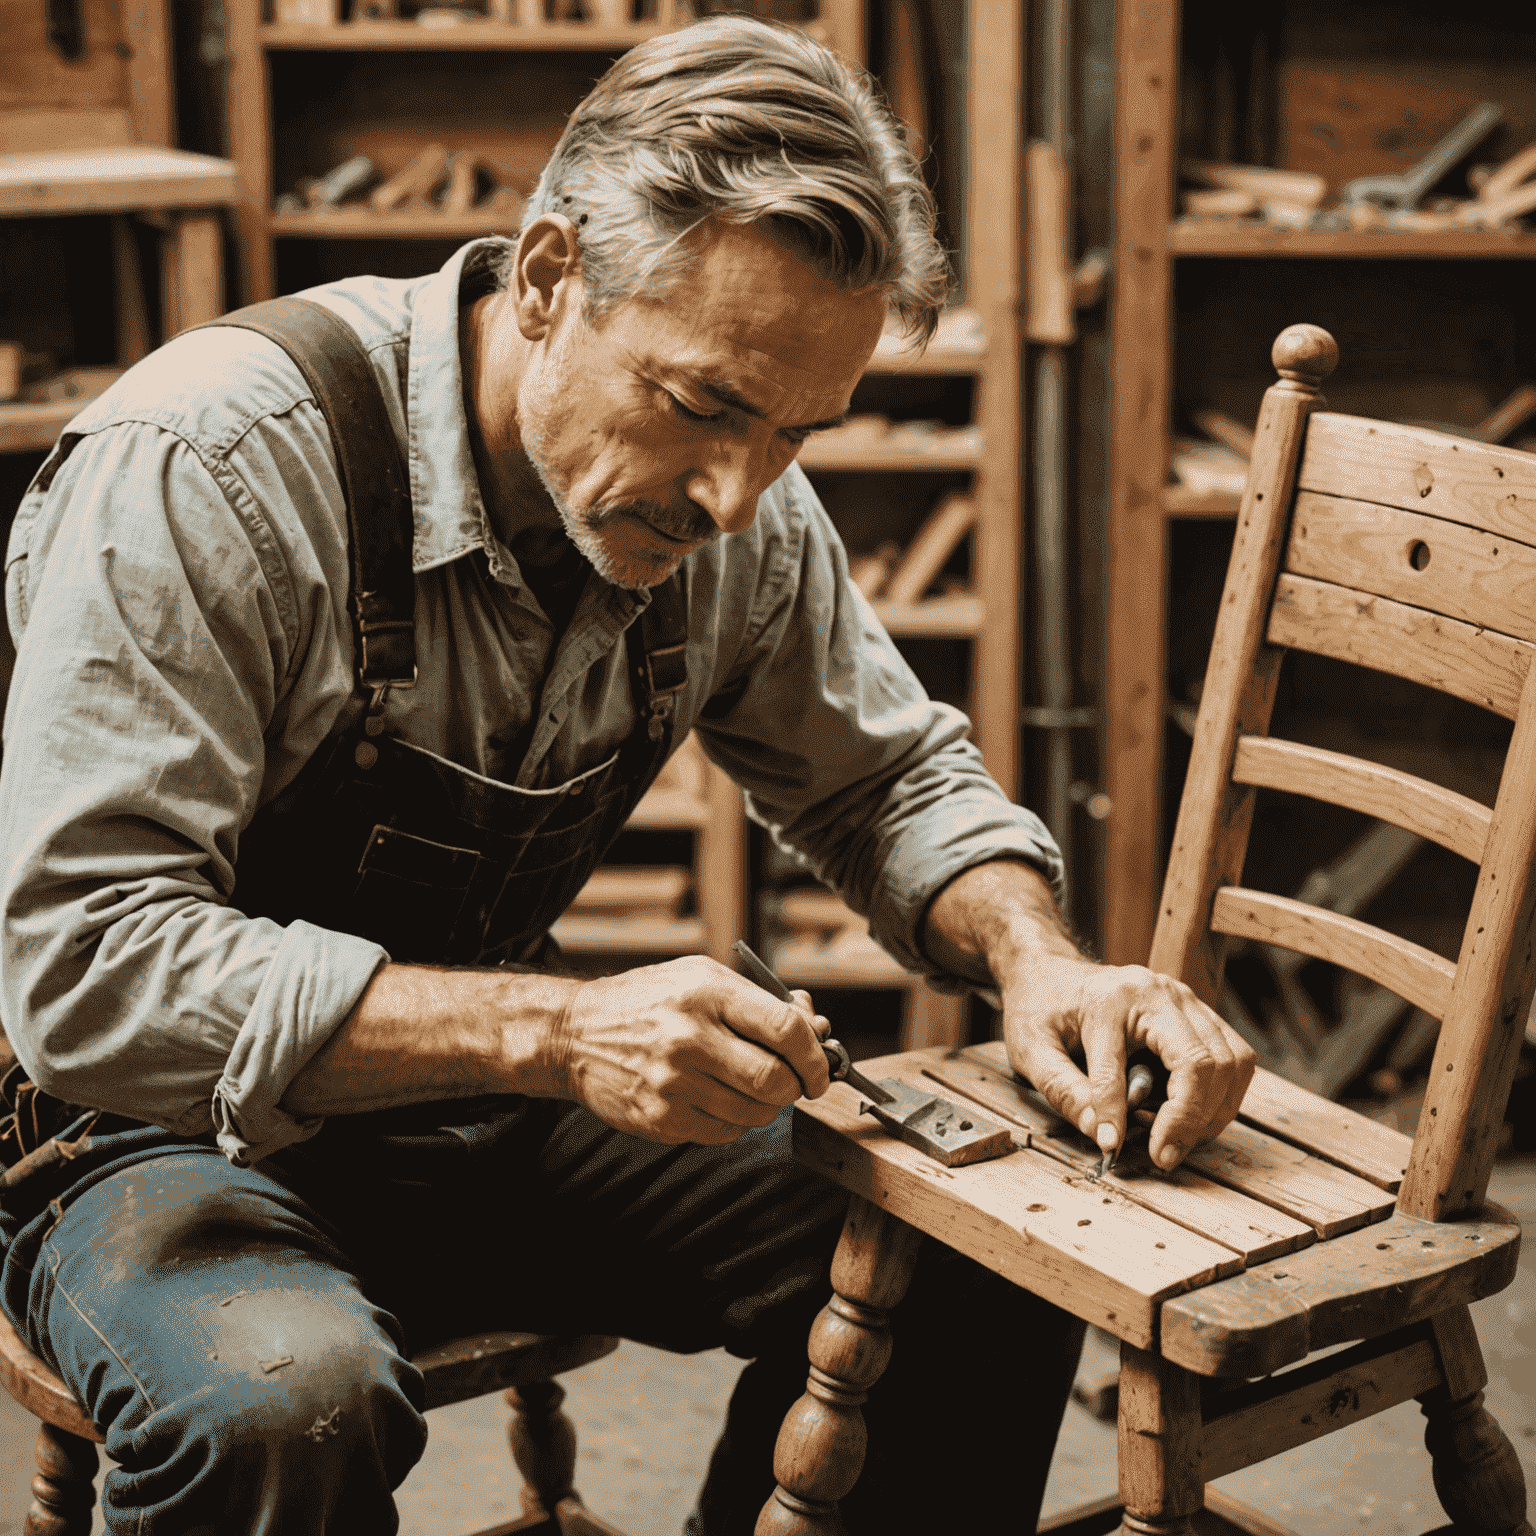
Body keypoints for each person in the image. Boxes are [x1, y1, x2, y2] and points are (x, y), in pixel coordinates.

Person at [0, 17, 1254, 1533]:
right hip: (152, 1136)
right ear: (547, 279)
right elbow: (87, 969)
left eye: (799, 432)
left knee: (978, 1255)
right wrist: (561, 1026)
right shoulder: (208, 466)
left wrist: (1039, 960)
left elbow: (888, 781)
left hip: (465, 1107)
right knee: (283, 1402)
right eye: (709, 406)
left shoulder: (733, 509)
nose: (739, 494)